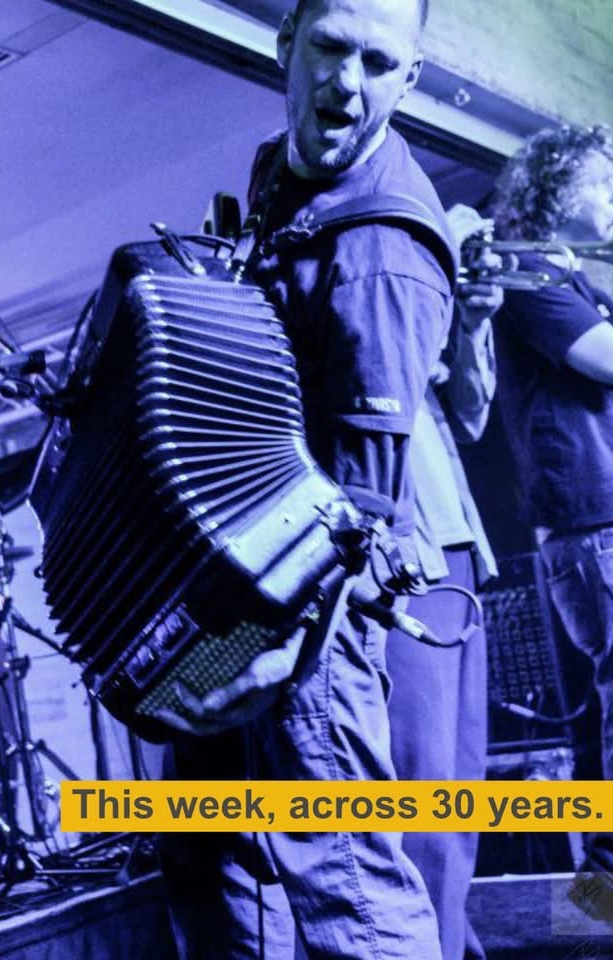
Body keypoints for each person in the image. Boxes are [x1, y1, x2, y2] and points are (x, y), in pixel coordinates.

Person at [155, 1, 460, 957]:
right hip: (236, 597)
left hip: (308, 620)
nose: (348, 83)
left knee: (348, 886)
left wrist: (255, 653)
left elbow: (357, 519)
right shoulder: (277, 179)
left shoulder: (384, 254)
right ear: (286, 44)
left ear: (410, 80)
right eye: (330, 47)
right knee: (215, 861)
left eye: (380, 62)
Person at [491, 123, 613, 877]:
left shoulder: (572, 279)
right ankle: (601, 906)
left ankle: (595, 912)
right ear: (557, 189)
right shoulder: (527, 270)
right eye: (603, 181)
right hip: (595, 525)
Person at [386, 203, 501, 960]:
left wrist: (472, 321)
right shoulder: (370, 277)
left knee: (461, 786)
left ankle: (448, 938)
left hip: (456, 544)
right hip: (407, 558)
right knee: (423, 783)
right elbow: (382, 371)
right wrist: (439, 278)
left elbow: (470, 416)